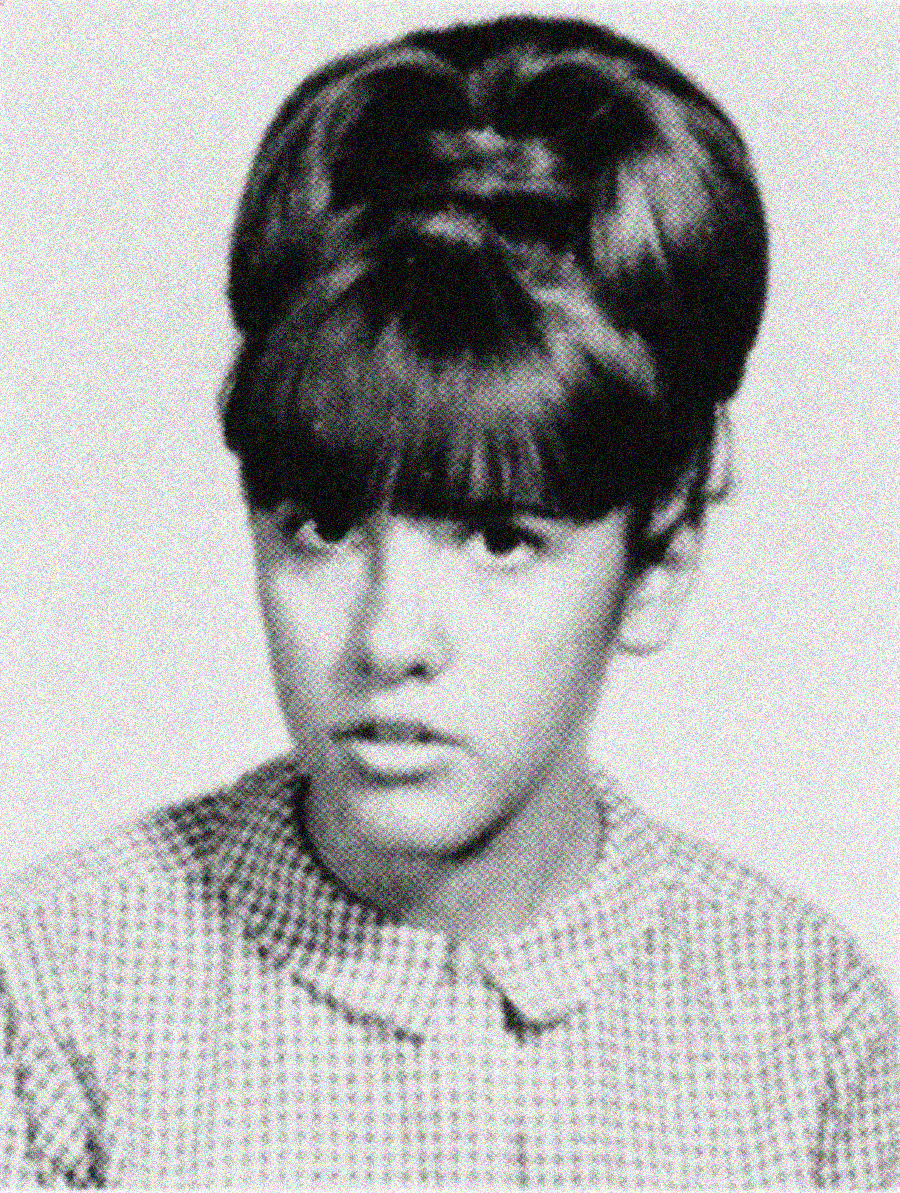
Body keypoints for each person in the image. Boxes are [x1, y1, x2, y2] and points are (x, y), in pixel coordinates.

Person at [0, 13, 896, 1187]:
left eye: (497, 539)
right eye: (321, 527)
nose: (387, 638)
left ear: (660, 554)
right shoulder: (55, 997)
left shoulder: (808, 1030)